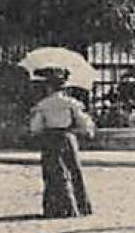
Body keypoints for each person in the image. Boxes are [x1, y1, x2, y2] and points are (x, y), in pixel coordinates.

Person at [28, 67, 95, 218]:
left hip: (51, 140)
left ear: (49, 87)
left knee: (54, 172)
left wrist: (40, 131)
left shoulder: (43, 105)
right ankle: (79, 207)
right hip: (67, 138)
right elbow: (84, 123)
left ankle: (56, 208)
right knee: (73, 171)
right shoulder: (71, 103)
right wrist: (83, 131)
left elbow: (36, 127)